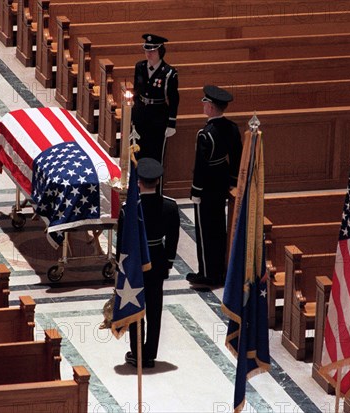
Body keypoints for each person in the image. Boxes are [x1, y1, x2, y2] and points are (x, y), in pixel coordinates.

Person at [122, 158, 180, 368]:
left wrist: (123, 267)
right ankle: (150, 354)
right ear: (157, 181)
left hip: (136, 263)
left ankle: (137, 353)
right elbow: (173, 238)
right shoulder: (169, 206)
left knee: (135, 305)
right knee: (155, 308)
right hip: (158, 261)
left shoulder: (129, 209)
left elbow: (123, 243)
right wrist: (169, 262)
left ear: (138, 181)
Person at [186, 85, 243, 287]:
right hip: (222, 182)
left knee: (205, 231)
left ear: (210, 107)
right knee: (218, 229)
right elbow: (237, 158)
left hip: (207, 187)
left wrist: (196, 191)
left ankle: (208, 274)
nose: (204, 106)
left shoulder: (206, 134)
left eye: (205, 103)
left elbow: (201, 166)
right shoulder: (232, 128)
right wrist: (232, 180)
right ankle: (218, 271)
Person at [131, 34, 179, 166]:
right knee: (137, 152)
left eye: (152, 51)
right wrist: (132, 114)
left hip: (157, 117)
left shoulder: (169, 73)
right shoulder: (139, 67)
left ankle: (155, 186)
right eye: (147, 50)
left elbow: (174, 99)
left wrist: (171, 123)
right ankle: (137, 185)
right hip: (140, 115)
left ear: (160, 51)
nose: (149, 54)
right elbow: (136, 91)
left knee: (155, 155)